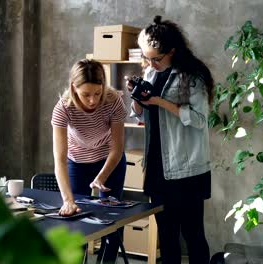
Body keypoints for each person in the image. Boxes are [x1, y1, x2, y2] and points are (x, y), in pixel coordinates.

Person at [128, 15, 214, 264]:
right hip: (157, 168)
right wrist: (137, 97)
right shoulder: (152, 74)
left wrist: (160, 102)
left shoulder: (192, 77)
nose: (151, 63)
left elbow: (199, 120)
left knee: (193, 234)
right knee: (166, 237)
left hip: (187, 171)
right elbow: (141, 115)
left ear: (173, 51)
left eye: (157, 58)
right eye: (147, 58)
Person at [51, 59, 127, 263]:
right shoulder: (63, 108)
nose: (92, 100)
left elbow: (117, 148)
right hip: (77, 162)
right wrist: (68, 200)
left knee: (112, 218)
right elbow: (59, 160)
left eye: (97, 93)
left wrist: (101, 176)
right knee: (77, 220)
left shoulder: (113, 101)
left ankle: (107, 261)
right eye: (86, 94)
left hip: (109, 161)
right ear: (74, 88)